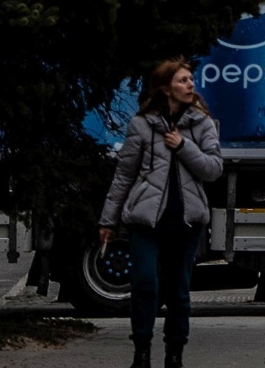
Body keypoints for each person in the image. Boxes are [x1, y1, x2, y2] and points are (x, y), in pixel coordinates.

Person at [100, 59, 223, 368]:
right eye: (183, 80)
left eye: (192, 80)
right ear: (166, 88)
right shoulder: (141, 124)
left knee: (178, 291)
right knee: (144, 284)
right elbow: (124, 176)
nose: (191, 85)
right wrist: (107, 220)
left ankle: (174, 354)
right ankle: (141, 352)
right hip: (146, 221)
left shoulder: (203, 123)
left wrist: (183, 146)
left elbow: (213, 169)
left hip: (186, 222)